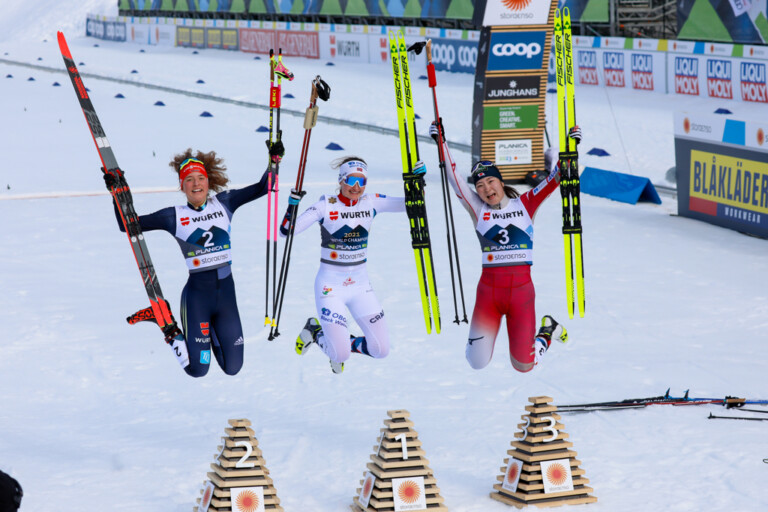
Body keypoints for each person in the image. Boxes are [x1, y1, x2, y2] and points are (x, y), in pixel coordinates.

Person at [105, 144, 283, 377]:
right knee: (198, 369)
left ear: (208, 182)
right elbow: (127, 226)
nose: (196, 183)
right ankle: (167, 325)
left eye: (200, 178)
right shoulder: (174, 216)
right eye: (189, 179)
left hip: (226, 298)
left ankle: (212, 334)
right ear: (182, 186)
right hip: (197, 298)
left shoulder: (224, 203)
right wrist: (118, 194)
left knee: (233, 367)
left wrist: (274, 160)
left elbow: (265, 186)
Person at [430, 121, 582, 372]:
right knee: (476, 362)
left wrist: (571, 147)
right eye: (480, 185)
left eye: (490, 181)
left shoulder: (525, 204)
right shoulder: (478, 210)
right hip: (489, 295)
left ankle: (548, 330)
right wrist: (441, 143)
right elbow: (455, 179)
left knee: (523, 365)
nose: (486, 188)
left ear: (500, 182)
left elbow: (556, 178)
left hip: (521, 295)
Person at [279, 156, 424, 373]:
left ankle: (340, 341)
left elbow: (412, 205)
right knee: (340, 354)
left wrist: (417, 183)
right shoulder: (325, 206)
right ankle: (314, 331)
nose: (356, 187)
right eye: (351, 180)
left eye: (361, 182)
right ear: (341, 180)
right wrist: (292, 206)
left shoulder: (371, 202)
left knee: (381, 349)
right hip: (330, 288)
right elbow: (286, 232)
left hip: (360, 287)